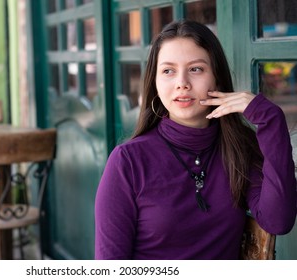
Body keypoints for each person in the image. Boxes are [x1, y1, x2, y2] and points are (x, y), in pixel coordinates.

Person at [94, 20, 297, 260]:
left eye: (196, 69)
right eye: (168, 71)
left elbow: (278, 221)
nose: (182, 83)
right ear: (155, 82)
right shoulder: (127, 161)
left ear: (217, 79)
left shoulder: (239, 148)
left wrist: (270, 119)